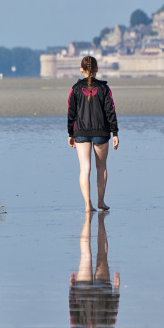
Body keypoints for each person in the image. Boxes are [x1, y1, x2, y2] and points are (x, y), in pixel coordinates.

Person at [67, 56, 119, 212]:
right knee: (101, 167)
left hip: (81, 131)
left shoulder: (75, 88)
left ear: (81, 69)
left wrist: (70, 133)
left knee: (85, 168)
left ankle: (87, 204)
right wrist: (115, 132)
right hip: (101, 132)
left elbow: (71, 112)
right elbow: (111, 111)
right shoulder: (104, 89)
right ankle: (101, 201)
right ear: (97, 69)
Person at [69, 212, 121, 328]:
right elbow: (73, 313)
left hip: (102, 290)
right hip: (84, 290)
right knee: (86, 255)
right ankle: (91, 222)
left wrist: (116, 289)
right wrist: (72, 289)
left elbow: (112, 313)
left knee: (101, 255)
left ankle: (95, 223)